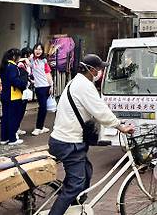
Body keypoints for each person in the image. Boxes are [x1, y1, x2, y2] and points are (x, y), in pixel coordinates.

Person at [49, 54, 134, 215]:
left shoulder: (76, 82)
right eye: (100, 69)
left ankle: (73, 206)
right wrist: (119, 126)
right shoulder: (84, 86)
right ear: (92, 70)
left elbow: (97, 110)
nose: (100, 72)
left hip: (65, 140)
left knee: (86, 171)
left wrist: (114, 121)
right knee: (75, 185)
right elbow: (100, 111)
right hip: (68, 143)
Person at [0, 48, 27, 146]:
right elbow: (15, 81)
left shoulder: (5, 65)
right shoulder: (12, 67)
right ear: (15, 57)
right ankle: (12, 139)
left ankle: (4, 138)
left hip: (5, 95)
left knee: (5, 117)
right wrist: (24, 84)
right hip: (13, 96)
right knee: (13, 118)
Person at [29, 42, 54, 136]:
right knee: (42, 107)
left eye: (40, 49)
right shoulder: (32, 60)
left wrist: (51, 85)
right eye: (36, 49)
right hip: (37, 87)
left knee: (42, 107)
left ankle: (38, 128)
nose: (38, 51)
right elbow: (26, 63)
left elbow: (48, 74)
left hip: (45, 87)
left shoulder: (44, 61)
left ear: (42, 51)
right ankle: (41, 126)